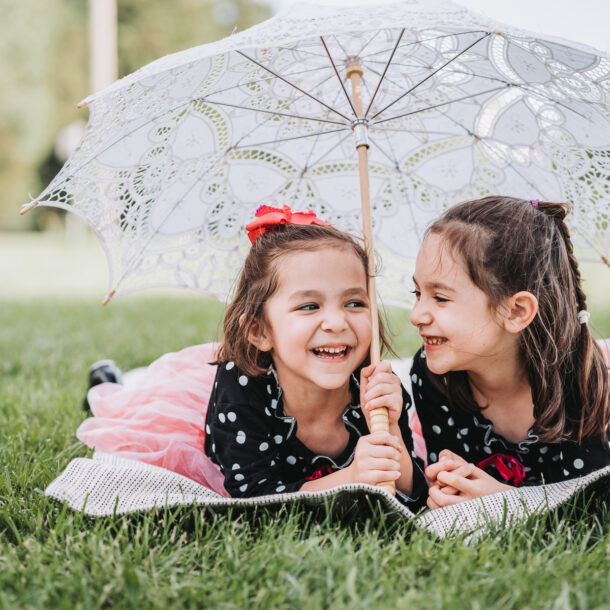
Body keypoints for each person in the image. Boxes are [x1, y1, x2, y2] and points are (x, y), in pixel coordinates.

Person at [78, 205, 427, 510]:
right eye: (309, 306)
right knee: (141, 407)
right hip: (227, 406)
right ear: (260, 331)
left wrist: (392, 433)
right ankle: (116, 381)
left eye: (355, 303)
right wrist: (349, 479)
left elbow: (412, 492)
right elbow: (254, 496)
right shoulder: (242, 388)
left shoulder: (377, 384)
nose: (337, 323)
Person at [408, 196, 610, 510]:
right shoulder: (434, 374)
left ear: (516, 311)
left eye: (440, 298)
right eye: (417, 293)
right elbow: (449, 488)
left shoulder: (580, 376)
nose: (416, 314)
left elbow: (591, 501)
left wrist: (508, 502)